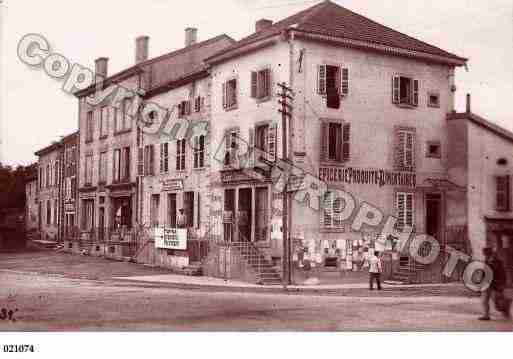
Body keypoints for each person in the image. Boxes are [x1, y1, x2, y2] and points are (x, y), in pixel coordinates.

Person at [479, 247, 511, 320]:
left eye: (485, 253)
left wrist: (502, 283)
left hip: (495, 284)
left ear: (489, 253)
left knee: (498, 300)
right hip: (487, 283)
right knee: (485, 300)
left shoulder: (497, 262)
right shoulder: (486, 261)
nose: (484, 255)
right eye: (484, 254)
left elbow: (501, 274)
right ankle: (486, 315)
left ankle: (505, 311)